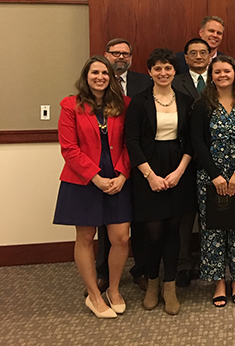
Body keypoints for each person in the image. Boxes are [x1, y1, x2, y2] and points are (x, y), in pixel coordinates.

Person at [54, 55, 131, 318]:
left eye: (105, 73)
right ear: (86, 76)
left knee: (120, 238)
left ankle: (113, 289)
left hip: (118, 180)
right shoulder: (70, 105)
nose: (100, 77)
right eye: (94, 73)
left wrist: (122, 174)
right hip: (83, 181)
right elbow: (69, 148)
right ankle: (94, 296)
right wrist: (95, 176)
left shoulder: (123, 105)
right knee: (86, 238)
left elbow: (130, 144)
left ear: (111, 77)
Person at [125, 48, 194, 315]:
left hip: (178, 167)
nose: (163, 73)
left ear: (175, 71)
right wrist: (150, 175)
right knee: (152, 233)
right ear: (150, 71)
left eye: (168, 68)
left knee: (174, 232)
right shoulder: (138, 102)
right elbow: (131, 141)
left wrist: (179, 171)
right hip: (147, 170)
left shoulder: (187, 101)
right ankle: (152, 282)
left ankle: (170, 286)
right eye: (158, 68)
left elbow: (191, 141)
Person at [190, 56, 235, 307]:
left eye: (227, 71)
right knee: (213, 227)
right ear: (212, 75)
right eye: (217, 71)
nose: (222, 75)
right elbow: (197, 141)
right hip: (211, 174)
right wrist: (215, 175)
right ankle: (219, 280)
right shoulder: (202, 104)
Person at [96, 39, 150, 293]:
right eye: (115, 53)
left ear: (131, 57)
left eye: (125, 53)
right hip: (106, 164)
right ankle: (103, 272)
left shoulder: (144, 81)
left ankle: (140, 269)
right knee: (105, 222)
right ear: (106, 55)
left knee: (138, 221)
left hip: (137, 159)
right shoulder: (97, 84)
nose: (120, 57)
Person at [172, 38, 211, 288]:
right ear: (185, 58)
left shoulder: (221, 79)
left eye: (203, 53)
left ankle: (212, 260)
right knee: (184, 215)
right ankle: (183, 263)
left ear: (210, 56)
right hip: (183, 158)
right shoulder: (174, 82)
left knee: (215, 211)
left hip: (217, 158)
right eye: (193, 53)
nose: (198, 57)